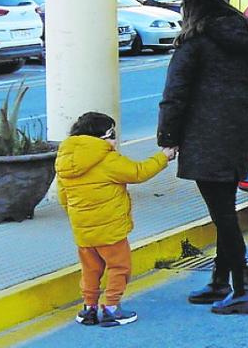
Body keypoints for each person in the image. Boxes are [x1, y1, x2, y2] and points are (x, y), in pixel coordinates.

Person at [158, 0, 248, 314]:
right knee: (225, 209)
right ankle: (220, 281)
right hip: (236, 138)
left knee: (223, 216)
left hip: (203, 139)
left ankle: (242, 289)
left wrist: (168, 136)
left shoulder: (193, 43)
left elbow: (175, 94)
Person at [55, 111, 176, 327]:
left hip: (83, 230)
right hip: (111, 230)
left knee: (90, 270)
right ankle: (111, 307)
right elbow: (138, 172)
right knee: (119, 267)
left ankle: (89, 308)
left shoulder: (64, 160)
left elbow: (63, 197)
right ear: (101, 137)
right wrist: (163, 157)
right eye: (112, 134)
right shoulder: (106, 159)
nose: (115, 139)